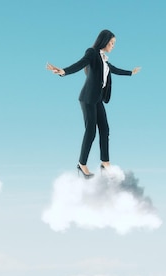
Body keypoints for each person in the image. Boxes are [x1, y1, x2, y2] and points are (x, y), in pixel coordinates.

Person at [46, 29, 141, 179]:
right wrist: (63, 71)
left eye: (114, 43)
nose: (113, 46)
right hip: (88, 98)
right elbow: (80, 64)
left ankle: (105, 163)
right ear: (104, 41)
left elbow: (113, 69)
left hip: (97, 99)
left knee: (105, 129)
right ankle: (82, 164)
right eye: (111, 42)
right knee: (91, 131)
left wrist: (130, 72)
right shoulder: (91, 52)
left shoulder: (103, 58)